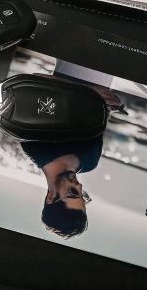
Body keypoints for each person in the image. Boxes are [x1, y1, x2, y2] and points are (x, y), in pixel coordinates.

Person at [19, 83, 124, 239]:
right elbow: (101, 114)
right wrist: (109, 105)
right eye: (83, 195)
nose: (80, 186)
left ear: (51, 197)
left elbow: (39, 88)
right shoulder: (90, 162)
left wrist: (90, 94)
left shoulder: (34, 145)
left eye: (73, 193)